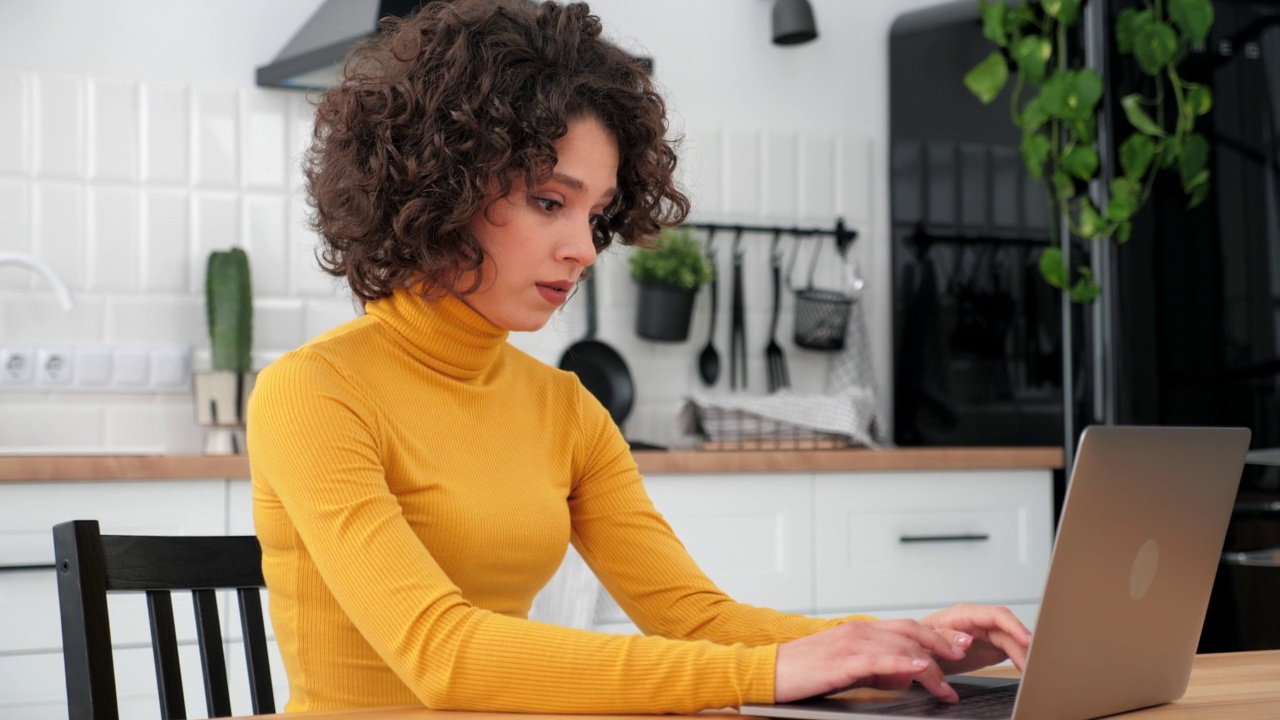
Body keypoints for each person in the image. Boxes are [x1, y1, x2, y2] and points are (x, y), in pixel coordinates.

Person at [246, 0, 1032, 714]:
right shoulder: (314, 393)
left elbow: (696, 617)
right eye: (551, 202)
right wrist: (763, 674)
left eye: (597, 214)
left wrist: (899, 644)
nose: (583, 248)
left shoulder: (564, 409)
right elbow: (443, 656)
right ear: (439, 186)